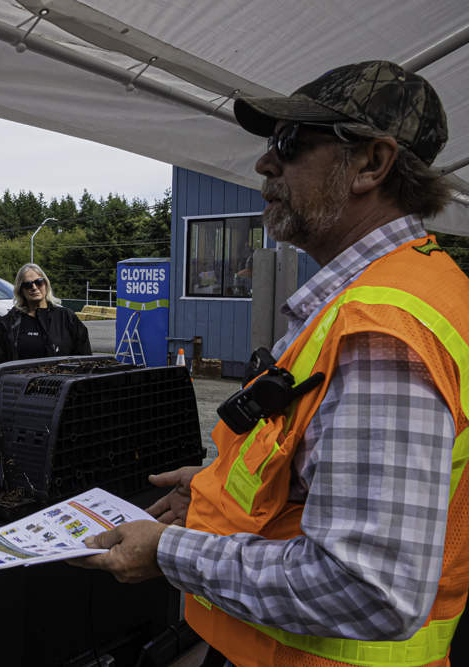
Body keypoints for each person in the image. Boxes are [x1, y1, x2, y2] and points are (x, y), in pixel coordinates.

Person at [71, 62, 468, 667]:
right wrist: (213, 494)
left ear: (371, 164)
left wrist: (169, 551)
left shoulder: (384, 330)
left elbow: (367, 588)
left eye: (289, 144)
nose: (263, 163)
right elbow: (315, 471)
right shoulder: (409, 288)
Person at [0, 263, 91, 367]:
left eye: (39, 282)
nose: (34, 287)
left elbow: (84, 359)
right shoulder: (9, 322)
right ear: (21, 291)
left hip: (62, 377)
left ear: (46, 284)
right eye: (27, 285)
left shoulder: (67, 317)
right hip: (21, 377)